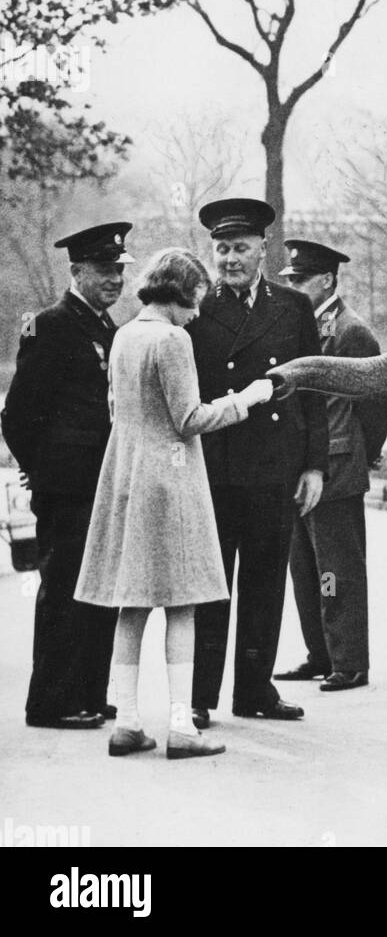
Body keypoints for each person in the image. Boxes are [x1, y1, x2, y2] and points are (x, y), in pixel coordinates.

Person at [74, 249, 274, 759]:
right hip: (171, 481)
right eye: (196, 301)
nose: (198, 313)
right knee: (184, 602)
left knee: (133, 604)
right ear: (181, 292)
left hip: (126, 478)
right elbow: (189, 419)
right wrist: (247, 398)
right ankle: (182, 726)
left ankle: (127, 722)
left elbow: (121, 410)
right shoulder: (171, 338)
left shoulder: (123, 334)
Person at [188, 199, 329, 727]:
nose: (229, 259)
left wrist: (314, 465)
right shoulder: (196, 307)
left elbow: (311, 389)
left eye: (240, 248)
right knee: (211, 585)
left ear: (262, 249)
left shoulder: (292, 307)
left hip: (275, 468)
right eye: (221, 249)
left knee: (266, 583)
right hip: (216, 469)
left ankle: (254, 690)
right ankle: (200, 695)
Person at [2, 222, 134, 730]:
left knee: (100, 591)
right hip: (68, 490)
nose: (113, 280)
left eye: (118, 270)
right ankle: (51, 702)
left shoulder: (108, 330)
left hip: (103, 485)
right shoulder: (50, 325)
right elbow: (19, 415)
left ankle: (89, 695)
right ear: (77, 270)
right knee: (63, 592)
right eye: (103, 270)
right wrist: (44, 472)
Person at [274, 240, 387, 692]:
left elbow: (378, 401)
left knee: (337, 570)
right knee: (305, 569)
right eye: (292, 280)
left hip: (338, 469)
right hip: (303, 467)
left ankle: (350, 662)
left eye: (302, 280)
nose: (295, 288)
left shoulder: (350, 332)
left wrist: (363, 452)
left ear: (326, 280)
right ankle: (320, 655)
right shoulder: (303, 327)